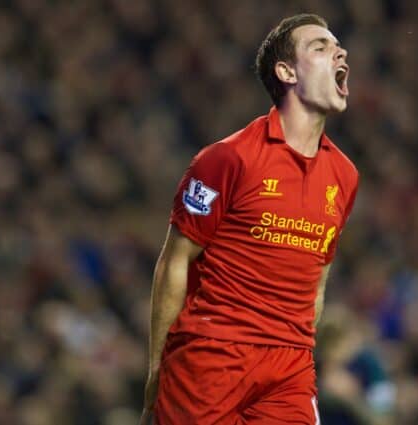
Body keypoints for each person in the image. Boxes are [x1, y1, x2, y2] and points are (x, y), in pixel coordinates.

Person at [140, 13, 359, 425]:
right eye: (320, 46)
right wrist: (156, 368)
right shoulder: (228, 158)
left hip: (289, 367)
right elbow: (174, 262)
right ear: (286, 71)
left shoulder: (345, 175)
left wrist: (303, 348)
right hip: (213, 353)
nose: (339, 51)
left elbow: (318, 279)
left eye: (338, 45)